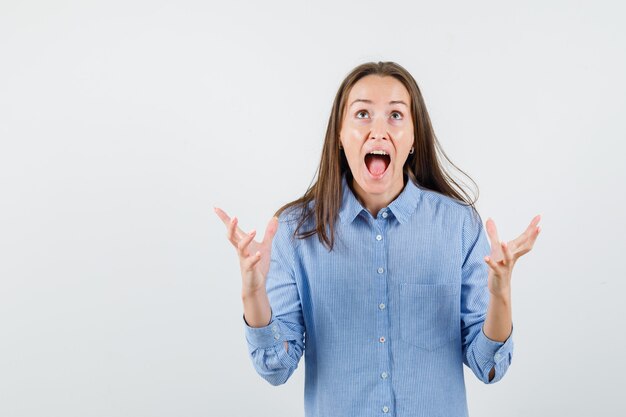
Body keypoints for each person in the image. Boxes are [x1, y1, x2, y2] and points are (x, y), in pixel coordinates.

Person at [214, 61, 540, 417]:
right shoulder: (296, 232)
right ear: (339, 134)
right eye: (363, 114)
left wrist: (499, 295)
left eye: (396, 115)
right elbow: (276, 367)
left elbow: (487, 365)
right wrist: (253, 293)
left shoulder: (458, 226)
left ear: (415, 138)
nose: (379, 130)